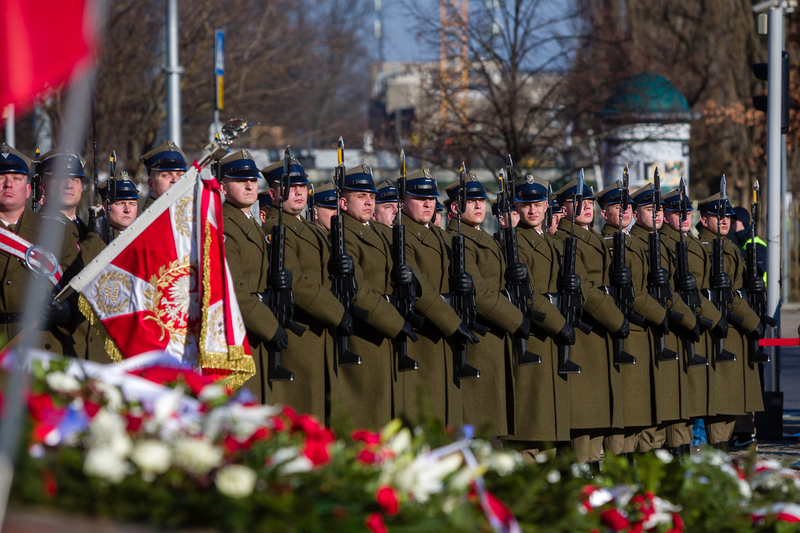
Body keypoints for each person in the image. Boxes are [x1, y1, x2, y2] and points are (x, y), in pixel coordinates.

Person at [261, 155, 350, 424]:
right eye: (291, 186)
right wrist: (338, 312)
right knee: (302, 414)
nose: (299, 192)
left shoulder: (308, 229)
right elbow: (296, 282)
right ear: (274, 192)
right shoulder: (275, 228)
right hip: (299, 332)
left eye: (302, 186)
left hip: (320, 332)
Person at [552, 178, 628, 465]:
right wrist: (616, 319)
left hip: (602, 332)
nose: (586, 207)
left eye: (589, 202)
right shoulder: (564, 239)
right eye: (578, 203)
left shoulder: (592, 237)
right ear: (564, 209)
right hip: (585, 332)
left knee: (598, 417)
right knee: (584, 418)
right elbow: (585, 288)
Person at [336, 164, 416, 429]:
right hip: (365, 332)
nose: (369, 201)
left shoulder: (377, 231)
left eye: (371, 195)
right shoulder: (344, 235)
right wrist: (396, 323)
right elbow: (359, 291)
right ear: (343, 202)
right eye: (361, 196)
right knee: (368, 417)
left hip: (384, 329)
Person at [506, 177, 575, 458]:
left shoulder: (555, 243)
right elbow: (528, 295)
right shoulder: (514, 243)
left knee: (555, 423)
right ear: (517, 208)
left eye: (537, 204)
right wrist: (560, 325)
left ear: (547, 206)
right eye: (526, 205)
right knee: (533, 426)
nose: (532, 211)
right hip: (536, 334)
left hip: (556, 336)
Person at [397, 169, 472, 428]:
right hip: (425, 335)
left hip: (445, 336)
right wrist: (452, 323)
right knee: (425, 418)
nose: (429, 204)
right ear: (403, 201)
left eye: (431, 198)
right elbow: (420, 289)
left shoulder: (441, 236)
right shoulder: (400, 235)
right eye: (420, 198)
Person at [597, 182, 668, 456]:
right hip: (626, 328)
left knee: (641, 410)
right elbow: (631, 294)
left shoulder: (632, 241)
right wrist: (661, 314)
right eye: (617, 207)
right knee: (625, 412)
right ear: (605, 214)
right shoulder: (609, 243)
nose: (624, 212)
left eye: (626, 206)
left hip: (642, 328)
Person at [629, 184, 697, 456]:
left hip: (673, 328)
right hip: (652, 330)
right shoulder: (634, 242)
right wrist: (682, 317)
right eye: (649, 209)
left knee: (675, 411)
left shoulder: (662, 241)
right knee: (652, 415)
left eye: (658, 209)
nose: (657, 214)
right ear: (635, 213)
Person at [695, 193, 764, 449]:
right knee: (719, 407)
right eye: (718, 216)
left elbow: (738, 288)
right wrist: (750, 320)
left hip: (736, 331)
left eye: (728, 216)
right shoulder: (702, 247)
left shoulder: (731, 246)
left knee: (729, 408)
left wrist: (755, 287)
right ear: (704, 219)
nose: (725, 220)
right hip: (719, 332)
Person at [218, 150, 287, 404]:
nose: (249, 185)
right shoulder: (225, 225)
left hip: (255, 330)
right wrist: (271, 328)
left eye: (252, 179)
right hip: (241, 336)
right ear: (222, 187)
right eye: (240, 180)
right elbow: (234, 291)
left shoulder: (249, 223)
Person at [660, 187, 725, 451]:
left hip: (700, 325)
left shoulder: (695, 243)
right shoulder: (663, 243)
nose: (684, 216)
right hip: (680, 326)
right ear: (665, 215)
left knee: (694, 402)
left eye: (687, 211)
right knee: (677, 406)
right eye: (677, 212)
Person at [0, 143, 79, 354]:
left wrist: (68, 313)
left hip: (44, 347)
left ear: (27, 190)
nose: (8, 184)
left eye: (16, 178)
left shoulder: (56, 231)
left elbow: (80, 289)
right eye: (1, 178)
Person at [36, 148, 107, 361]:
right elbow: (74, 271)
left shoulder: (83, 228)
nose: (69, 185)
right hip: (58, 348)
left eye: (76, 179)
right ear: (43, 187)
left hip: (90, 350)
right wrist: (96, 238)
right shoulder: (37, 228)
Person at [139, 140, 187, 210]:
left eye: (180, 175)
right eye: (166, 175)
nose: (175, 180)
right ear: (151, 184)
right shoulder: (144, 220)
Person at [100, 173, 139, 241]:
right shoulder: (98, 239)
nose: (127, 210)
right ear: (105, 207)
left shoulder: (145, 236)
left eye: (132, 204)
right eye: (120, 203)